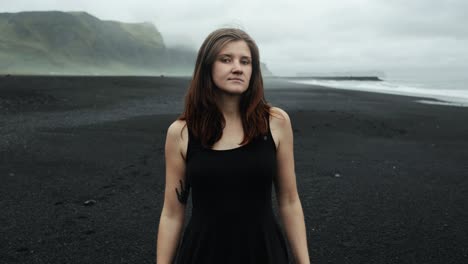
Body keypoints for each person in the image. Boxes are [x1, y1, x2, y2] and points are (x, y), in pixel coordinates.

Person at [156, 28, 310, 264]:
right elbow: (172, 213)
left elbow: (289, 200)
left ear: (253, 70)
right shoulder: (182, 132)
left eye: (245, 61)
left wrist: (304, 262)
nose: (237, 67)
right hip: (202, 253)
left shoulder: (276, 122)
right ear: (207, 66)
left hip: (263, 252)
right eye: (226, 59)